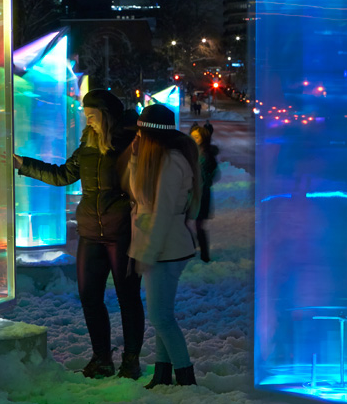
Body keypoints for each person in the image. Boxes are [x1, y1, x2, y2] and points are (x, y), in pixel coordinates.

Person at [13, 89, 144, 380]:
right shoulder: (86, 143)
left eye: (92, 116)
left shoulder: (129, 143)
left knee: (128, 297)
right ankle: (102, 358)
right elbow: (63, 175)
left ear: (106, 115)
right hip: (90, 233)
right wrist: (24, 165)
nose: (87, 121)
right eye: (86, 116)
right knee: (88, 296)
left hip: (122, 233)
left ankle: (131, 360)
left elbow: (145, 185)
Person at [127, 103, 201, 388]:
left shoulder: (170, 162)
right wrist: (135, 159)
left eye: (140, 134)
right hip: (163, 247)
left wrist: (147, 253)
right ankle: (162, 374)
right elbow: (140, 196)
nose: (137, 139)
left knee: (160, 317)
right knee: (162, 316)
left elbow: (160, 213)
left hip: (166, 249)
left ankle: (185, 377)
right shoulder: (158, 160)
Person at [190, 124, 219, 262]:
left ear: (203, 138)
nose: (193, 138)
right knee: (192, 224)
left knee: (198, 225)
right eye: (192, 136)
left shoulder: (205, 155)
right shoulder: (195, 152)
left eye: (197, 137)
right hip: (195, 193)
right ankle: (198, 250)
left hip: (200, 195)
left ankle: (203, 254)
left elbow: (208, 177)